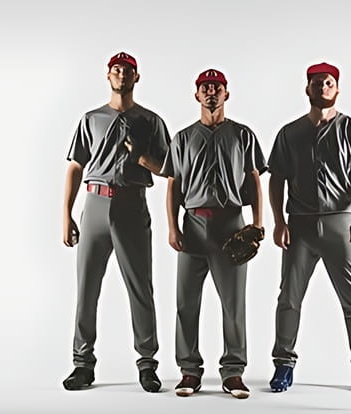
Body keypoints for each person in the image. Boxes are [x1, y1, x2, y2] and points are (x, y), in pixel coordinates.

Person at [267, 62, 351, 394]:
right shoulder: (289, 133)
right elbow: (277, 179)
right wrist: (279, 222)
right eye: (316, 83)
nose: (322, 88)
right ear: (307, 89)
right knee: (289, 298)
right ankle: (283, 365)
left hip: (339, 222)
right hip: (300, 225)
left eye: (328, 82)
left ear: (337, 88)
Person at [61, 52, 170, 393]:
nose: (122, 74)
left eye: (128, 70)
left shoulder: (150, 121)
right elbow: (76, 165)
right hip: (94, 202)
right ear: (108, 75)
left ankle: (147, 364)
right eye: (116, 69)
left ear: (137, 78)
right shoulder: (91, 119)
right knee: (87, 288)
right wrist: (66, 214)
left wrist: (140, 155)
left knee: (140, 287)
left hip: (131, 202)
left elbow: (168, 168)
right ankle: (82, 364)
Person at [161, 69, 266, 399]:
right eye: (205, 88)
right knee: (185, 302)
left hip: (230, 223)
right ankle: (189, 371)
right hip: (193, 224)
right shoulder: (182, 138)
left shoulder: (242, 135)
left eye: (217, 87)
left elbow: (253, 179)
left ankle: (233, 372)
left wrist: (257, 224)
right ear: (196, 95)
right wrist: (172, 226)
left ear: (226, 94)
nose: (211, 92)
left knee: (233, 303)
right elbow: (174, 184)